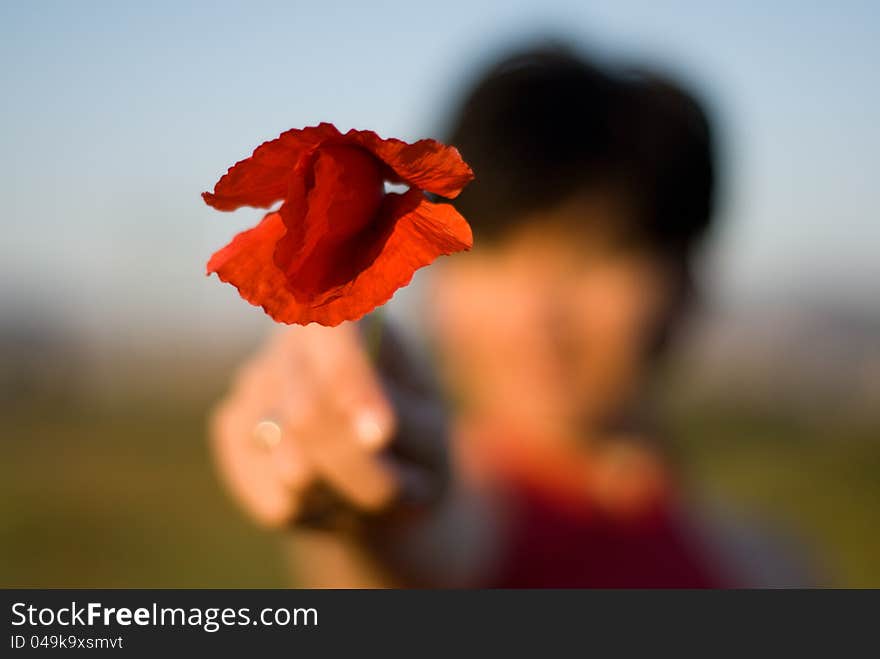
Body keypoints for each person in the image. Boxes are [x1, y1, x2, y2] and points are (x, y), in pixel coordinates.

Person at [209, 45, 741, 587]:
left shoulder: (763, 564)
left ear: (686, 282)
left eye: (590, 255)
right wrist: (352, 463)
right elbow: (405, 531)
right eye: (486, 249)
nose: (532, 314)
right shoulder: (457, 510)